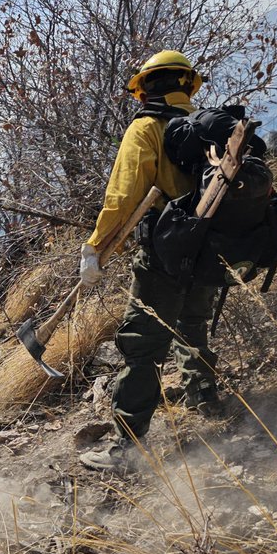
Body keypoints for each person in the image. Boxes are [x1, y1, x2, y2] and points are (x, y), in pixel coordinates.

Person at [78, 50, 221, 473]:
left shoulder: (146, 128)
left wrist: (95, 247)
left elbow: (123, 196)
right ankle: (205, 399)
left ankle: (127, 448)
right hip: (209, 248)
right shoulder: (211, 128)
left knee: (143, 344)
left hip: (164, 251)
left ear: (145, 89)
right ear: (187, 85)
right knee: (193, 323)